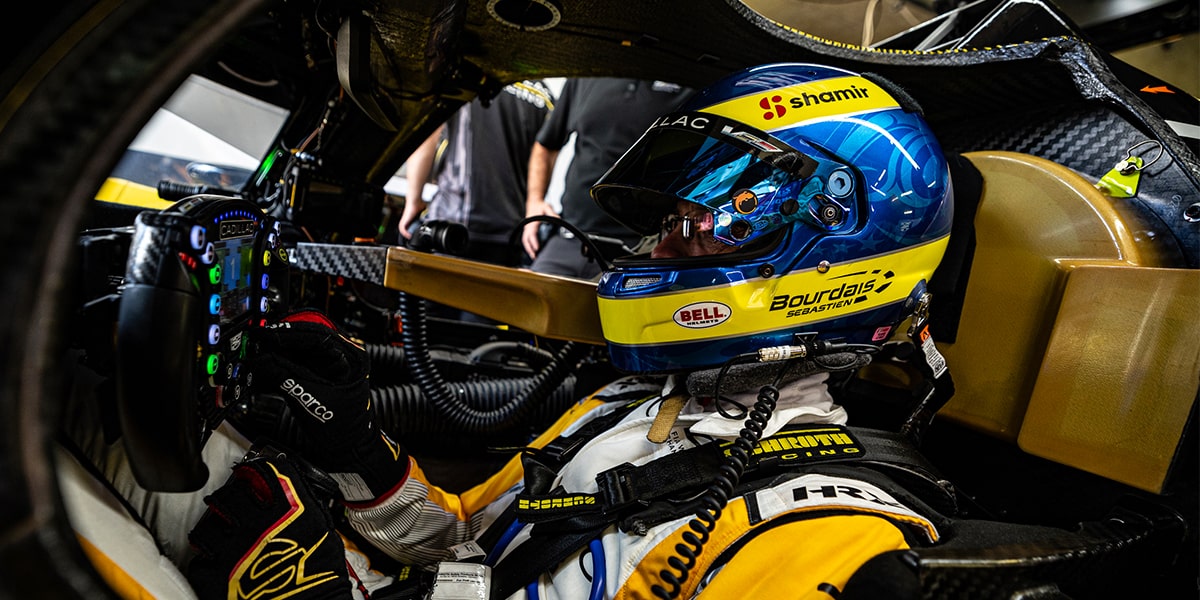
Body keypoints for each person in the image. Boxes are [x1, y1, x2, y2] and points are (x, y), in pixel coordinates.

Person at [186, 63, 970, 599]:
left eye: (699, 226)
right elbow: (468, 548)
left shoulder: (821, 542)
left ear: (832, 242)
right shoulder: (630, 404)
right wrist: (355, 448)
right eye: (670, 220)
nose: (661, 248)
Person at [521, 78, 693, 279]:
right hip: (570, 237)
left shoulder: (688, 82)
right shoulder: (586, 75)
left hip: (640, 249)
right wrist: (534, 201)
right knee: (530, 299)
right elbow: (546, 144)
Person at [400, 80, 555, 268]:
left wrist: (413, 201)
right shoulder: (544, 97)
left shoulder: (468, 80)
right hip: (510, 234)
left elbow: (428, 136)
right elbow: (544, 160)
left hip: (452, 228)